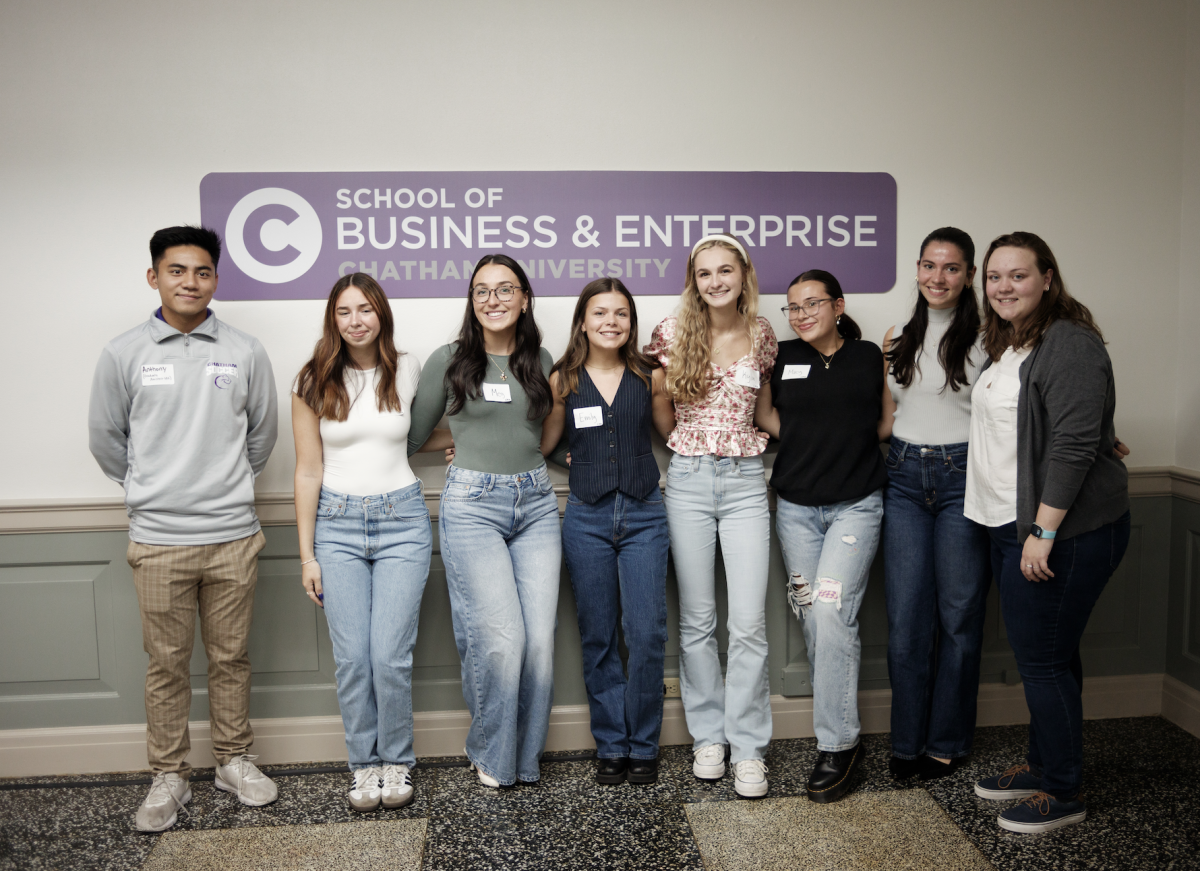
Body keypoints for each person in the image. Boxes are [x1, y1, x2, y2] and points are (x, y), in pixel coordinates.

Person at [88, 226, 279, 832]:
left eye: (201, 272)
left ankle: (233, 760)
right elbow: (107, 440)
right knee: (166, 663)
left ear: (215, 279)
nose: (190, 282)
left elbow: (262, 437)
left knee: (231, 658)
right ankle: (169, 775)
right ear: (154, 277)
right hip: (159, 539)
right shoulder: (123, 353)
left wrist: (219, 487)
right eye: (177, 271)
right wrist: (155, 491)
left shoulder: (245, 350)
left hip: (232, 535)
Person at [966, 232, 1129, 834]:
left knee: (1042, 663)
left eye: (1017, 276)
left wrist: (1043, 530)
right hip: (1008, 524)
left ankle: (1062, 791)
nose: (1003, 287)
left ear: (1048, 279)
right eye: (994, 277)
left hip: (1060, 532)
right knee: (1051, 656)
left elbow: (1073, 442)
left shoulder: (1070, 342)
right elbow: (1051, 425)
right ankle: (1043, 765)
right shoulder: (1009, 344)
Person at [293, 274, 451, 811]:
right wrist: (307, 555)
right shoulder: (312, 379)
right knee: (353, 659)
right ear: (332, 318)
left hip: (401, 520)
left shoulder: (407, 368)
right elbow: (307, 470)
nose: (355, 320)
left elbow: (420, 434)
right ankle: (363, 765)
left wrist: (468, 445)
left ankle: (396, 762)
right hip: (335, 526)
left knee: (389, 655)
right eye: (344, 311)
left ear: (381, 313)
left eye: (365, 309)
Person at [407, 254, 559, 788]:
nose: (493, 299)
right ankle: (491, 753)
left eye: (505, 289)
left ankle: (522, 758)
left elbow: (543, 434)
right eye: (481, 291)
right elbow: (413, 437)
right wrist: (461, 443)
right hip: (473, 506)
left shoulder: (540, 357)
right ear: (472, 302)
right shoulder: (448, 360)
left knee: (539, 642)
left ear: (523, 298)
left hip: (537, 503)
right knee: (500, 640)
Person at [645, 234, 777, 799]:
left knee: (748, 624)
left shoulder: (764, 334)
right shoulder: (672, 333)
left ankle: (748, 749)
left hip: (748, 483)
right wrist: (685, 443)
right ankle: (709, 738)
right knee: (698, 622)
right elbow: (659, 403)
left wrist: (829, 443)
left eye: (726, 271)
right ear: (692, 281)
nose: (715, 281)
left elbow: (766, 411)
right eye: (704, 274)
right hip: (690, 481)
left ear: (744, 274)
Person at [756, 269, 886, 804]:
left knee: (831, 610)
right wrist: (812, 438)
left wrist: (844, 443)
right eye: (792, 307)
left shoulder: (870, 355)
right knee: (815, 614)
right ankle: (839, 733)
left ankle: (839, 743)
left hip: (856, 506)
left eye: (812, 304)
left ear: (838, 305)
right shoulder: (780, 357)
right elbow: (765, 416)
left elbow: (885, 420)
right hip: (795, 512)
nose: (801, 314)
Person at [540, 278, 675, 785]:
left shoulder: (650, 374)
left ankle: (643, 744)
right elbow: (544, 443)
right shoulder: (564, 379)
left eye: (621, 314)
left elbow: (671, 433)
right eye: (600, 313)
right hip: (587, 519)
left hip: (644, 515)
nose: (611, 322)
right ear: (582, 321)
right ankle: (611, 745)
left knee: (645, 634)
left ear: (631, 323)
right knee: (597, 637)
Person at [878, 228, 990, 782]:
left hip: (962, 479)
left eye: (950, 268)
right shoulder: (898, 337)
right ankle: (906, 743)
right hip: (901, 478)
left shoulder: (993, 338)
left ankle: (945, 741)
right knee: (905, 625)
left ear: (969, 275)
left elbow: (1025, 407)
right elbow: (886, 415)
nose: (937, 278)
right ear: (917, 269)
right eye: (928, 266)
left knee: (959, 619)